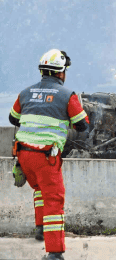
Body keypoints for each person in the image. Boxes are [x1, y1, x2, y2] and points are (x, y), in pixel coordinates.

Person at [8, 50, 88, 260]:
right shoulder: (66, 95)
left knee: (39, 189)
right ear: (61, 73)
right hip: (45, 156)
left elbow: (13, 118)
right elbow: (83, 125)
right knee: (54, 199)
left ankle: (40, 229)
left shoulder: (25, 93)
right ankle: (54, 252)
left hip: (24, 156)